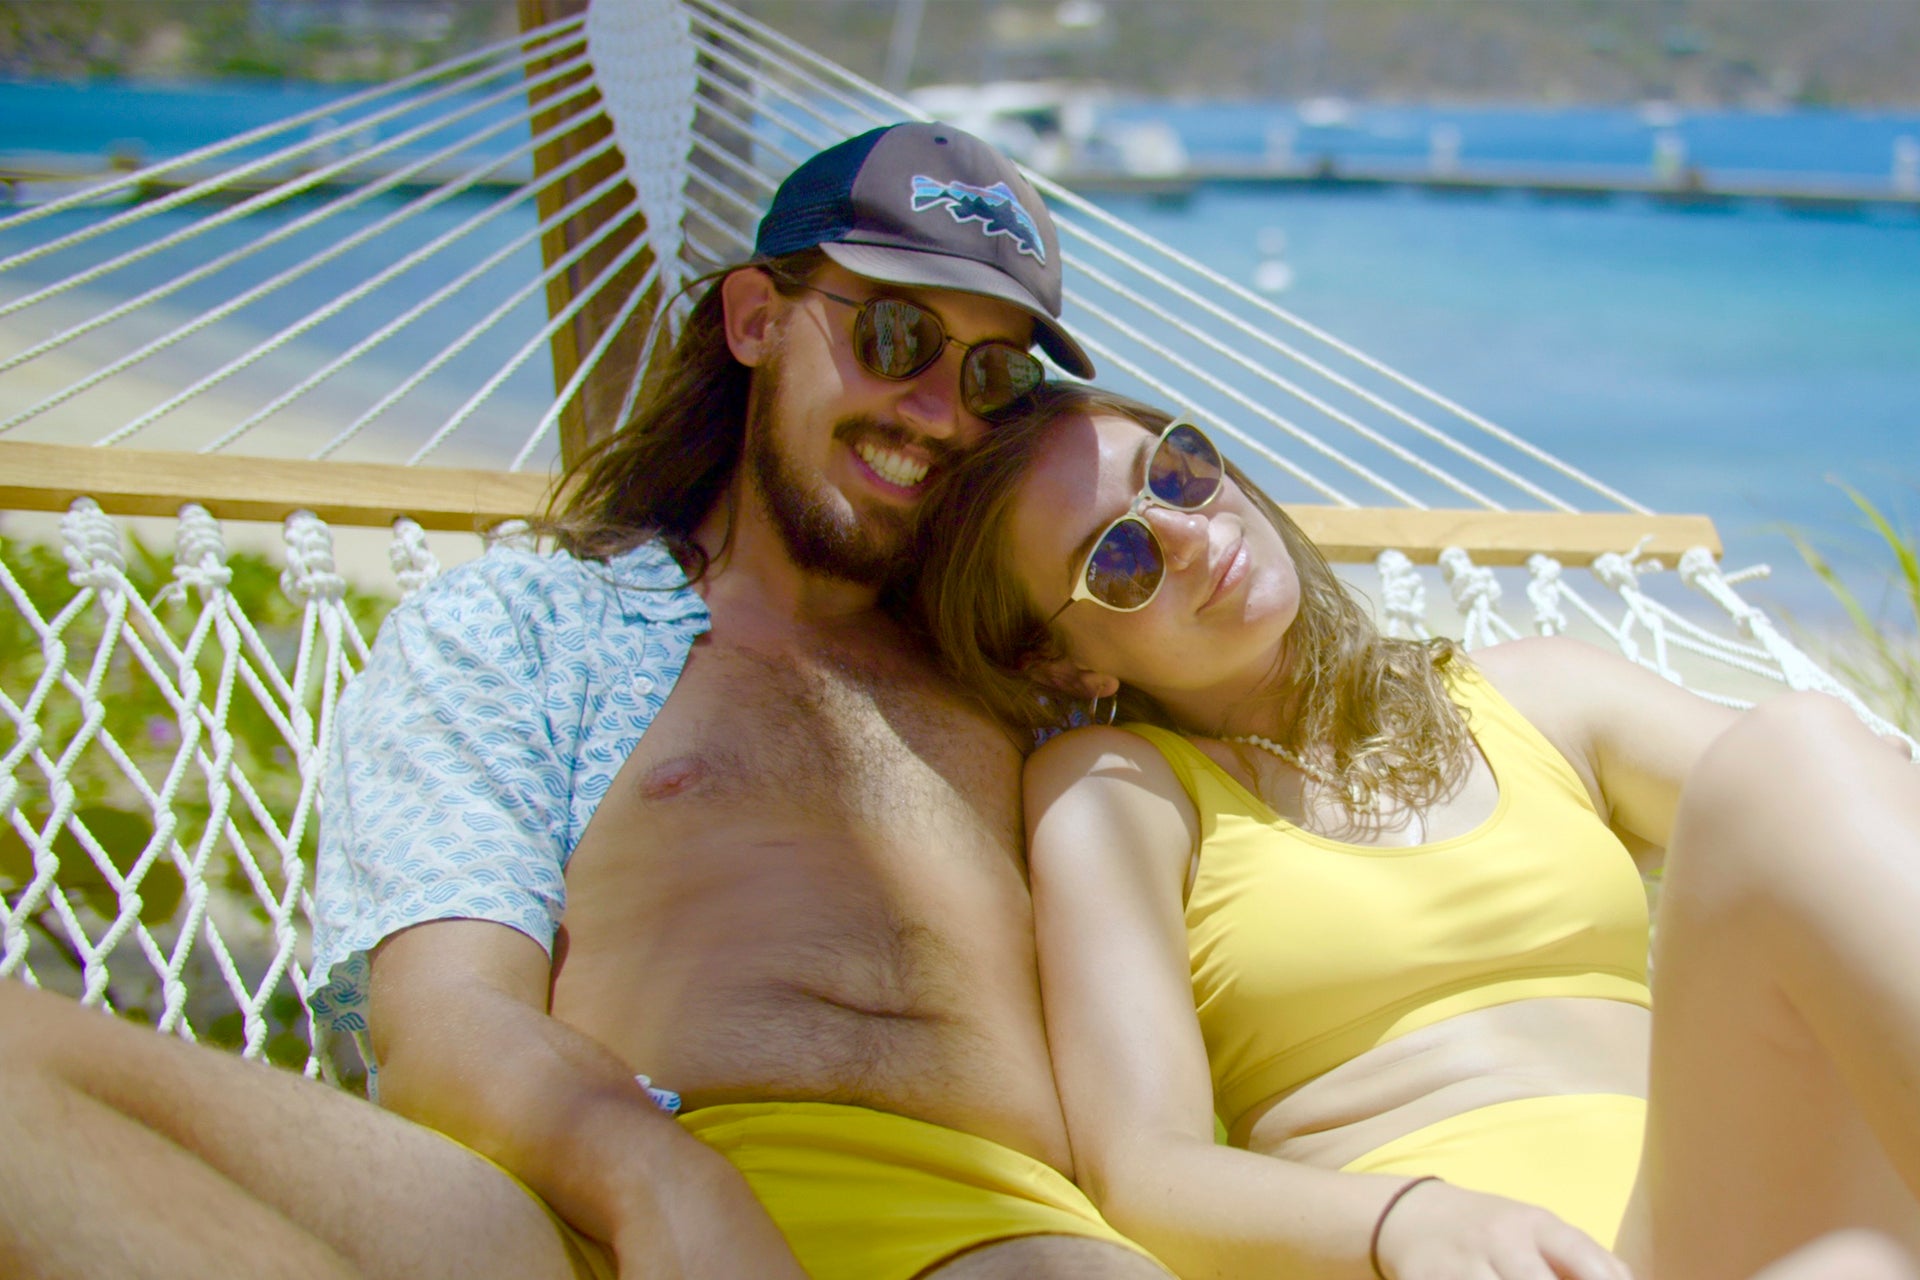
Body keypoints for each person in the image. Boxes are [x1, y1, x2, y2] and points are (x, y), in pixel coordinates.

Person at [0, 124, 1173, 1280]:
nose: (939, 413)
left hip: (996, 1233)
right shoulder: (534, 628)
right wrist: (664, 1181)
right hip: (601, 1215)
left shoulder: (1037, 686)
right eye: (898, 334)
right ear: (756, 319)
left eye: (994, 377)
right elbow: (440, 1020)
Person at [910, 381, 1920, 1280]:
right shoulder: (1122, 792)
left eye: (1176, 469)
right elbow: (1146, 1168)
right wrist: (1407, 1220)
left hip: (1741, 1212)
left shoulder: (1541, 695)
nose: (1186, 531)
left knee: (1799, 753)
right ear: (1068, 665)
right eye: (1119, 558)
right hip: (1470, 1251)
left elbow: (1849, 831)